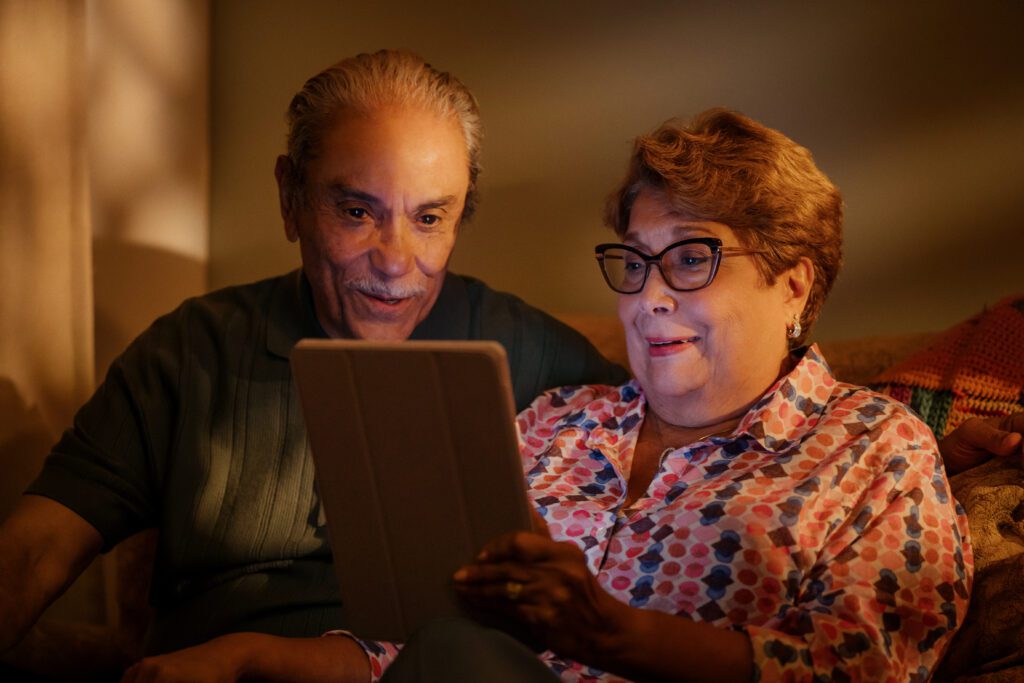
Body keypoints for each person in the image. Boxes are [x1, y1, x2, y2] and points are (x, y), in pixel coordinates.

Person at [0, 50, 627, 681]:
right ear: (290, 197)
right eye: (357, 212)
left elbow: (677, 524)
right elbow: (35, 550)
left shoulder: (543, 362)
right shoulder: (193, 349)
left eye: (430, 219)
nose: (395, 260)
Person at [366, 110, 975, 682]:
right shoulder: (556, 420)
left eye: (689, 258)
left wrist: (611, 633)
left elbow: (863, 664)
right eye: (635, 262)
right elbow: (419, 648)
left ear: (792, 285)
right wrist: (273, 657)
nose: (648, 296)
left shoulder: (876, 445)